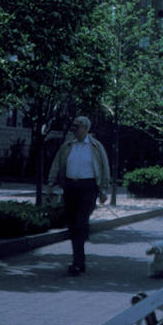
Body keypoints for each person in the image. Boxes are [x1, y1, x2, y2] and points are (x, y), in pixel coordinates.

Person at [48, 115, 111, 276]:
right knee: (73, 223)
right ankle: (79, 258)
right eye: (73, 126)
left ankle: (77, 262)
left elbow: (104, 167)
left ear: (86, 128)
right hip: (70, 186)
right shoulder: (67, 145)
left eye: (77, 126)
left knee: (80, 221)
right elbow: (56, 164)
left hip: (88, 187)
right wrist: (51, 184)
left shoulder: (96, 147)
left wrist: (104, 189)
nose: (74, 129)